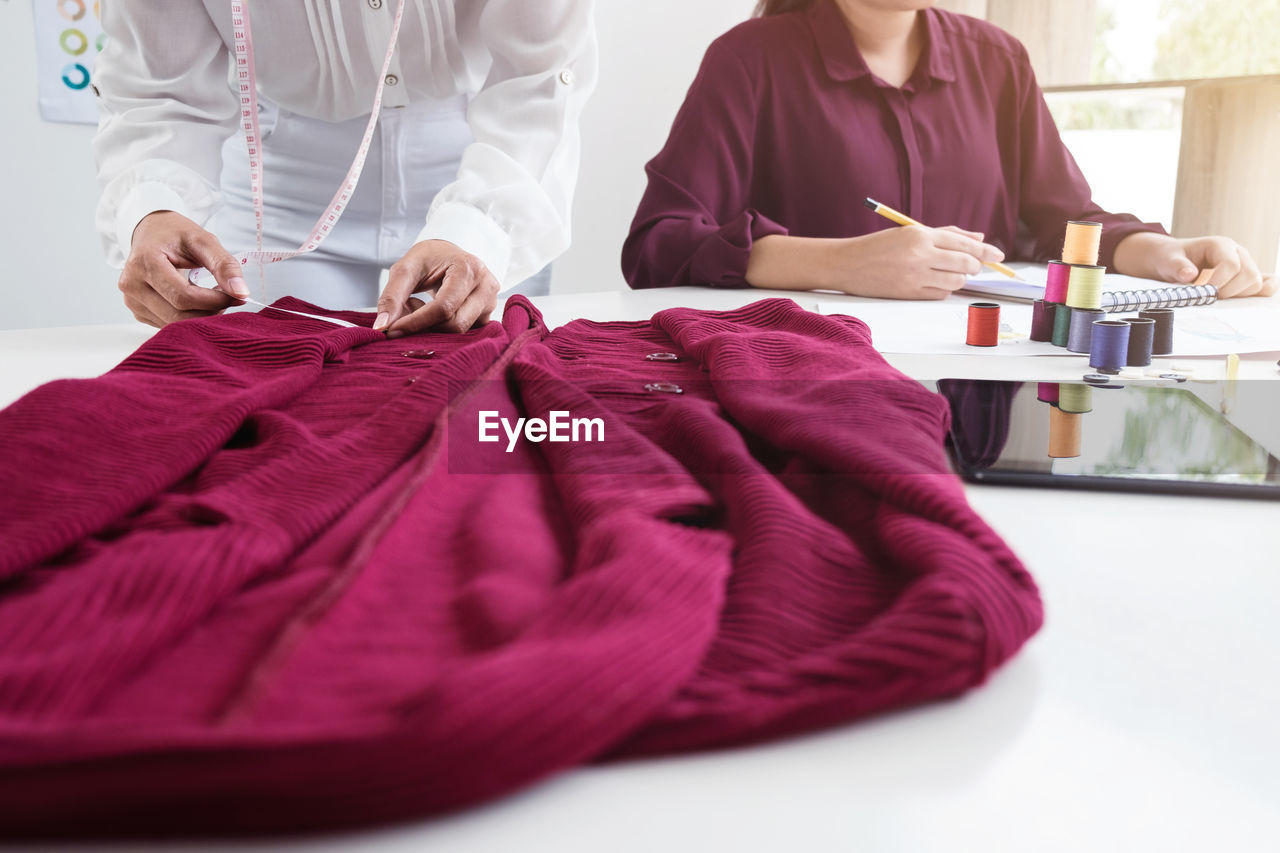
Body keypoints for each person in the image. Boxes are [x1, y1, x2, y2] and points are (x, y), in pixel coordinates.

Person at [622, 0, 1275, 300]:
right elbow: (658, 244)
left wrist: (1166, 253)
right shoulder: (748, 59)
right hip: (803, 382)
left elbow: (1065, 223)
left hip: (979, 386)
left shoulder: (998, 59)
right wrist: (846, 264)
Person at [95, 1, 597, 334]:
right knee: (281, 399)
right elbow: (158, 89)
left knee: (482, 412)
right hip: (284, 188)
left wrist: (481, 228)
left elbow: (540, 76)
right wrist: (153, 209)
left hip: (490, 160)